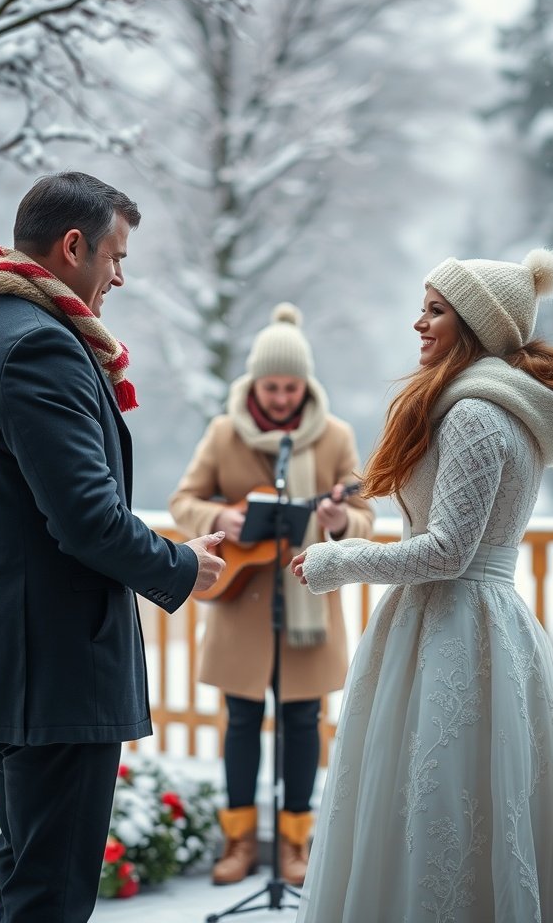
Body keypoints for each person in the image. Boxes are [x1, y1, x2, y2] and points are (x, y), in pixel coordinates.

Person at [290, 248, 553, 923]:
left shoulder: (475, 413)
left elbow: (446, 552)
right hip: (460, 626)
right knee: (448, 812)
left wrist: (338, 560)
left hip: (456, 631)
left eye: (436, 310)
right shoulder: (494, 407)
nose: (419, 323)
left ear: (474, 324)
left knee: (439, 807)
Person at [0, 171, 225, 923]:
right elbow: (85, 518)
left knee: (21, 870)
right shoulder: (38, 348)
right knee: (49, 894)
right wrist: (183, 564)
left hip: (12, 656)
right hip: (53, 665)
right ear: (73, 245)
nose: (120, 276)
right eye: (116, 257)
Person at [169, 303, 374, 886]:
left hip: (308, 604)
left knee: (304, 723)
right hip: (241, 607)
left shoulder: (334, 436)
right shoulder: (224, 431)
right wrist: (222, 518)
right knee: (240, 723)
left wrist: (336, 520)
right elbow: (185, 500)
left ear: (304, 384)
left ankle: (295, 848)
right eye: (271, 385)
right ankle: (238, 845)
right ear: (254, 382)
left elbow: (364, 516)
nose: (281, 397)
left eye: (290, 386)